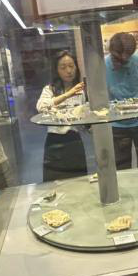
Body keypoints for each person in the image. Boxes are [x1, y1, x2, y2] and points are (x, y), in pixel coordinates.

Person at [36, 50, 88, 181]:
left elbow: (83, 116)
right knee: (54, 183)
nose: (69, 71)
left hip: (74, 140)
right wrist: (69, 94)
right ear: (57, 70)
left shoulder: (81, 91)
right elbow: (41, 107)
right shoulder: (50, 89)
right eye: (63, 67)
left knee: (78, 182)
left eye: (71, 66)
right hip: (55, 142)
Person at [105, 32, 138, 169]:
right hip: (117, 123)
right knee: (121, 165)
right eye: (116, 58)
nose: (118, 63)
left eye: (124, 61)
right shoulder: (103, 65)